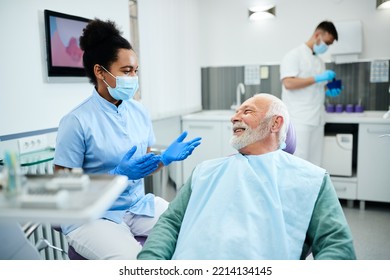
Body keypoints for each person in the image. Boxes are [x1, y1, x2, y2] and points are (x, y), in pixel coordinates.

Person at [137, 93, 356, 260]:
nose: (234, 118)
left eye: (247, 111)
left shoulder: (311, 179)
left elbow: (336, 245)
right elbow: (171, 223)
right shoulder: (205, 171)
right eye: (236, 112)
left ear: (275, 123)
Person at [53, 18, 201, 260]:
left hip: (137, 206)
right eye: (126, 71)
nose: (133, 77)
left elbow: (142, 165)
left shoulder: (139, 111)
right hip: (93, 215)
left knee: (194, 227)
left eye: (135, 71)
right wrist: (116, 176)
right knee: (135, 263)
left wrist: (163, 159)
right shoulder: (76, 121)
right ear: (100, 71)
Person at [280, 20, 341, 166]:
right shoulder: (294, 55)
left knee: (315, 164)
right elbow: (288, 83)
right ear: (317, 35)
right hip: (299, 119)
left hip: (317, 118)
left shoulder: (320, 62)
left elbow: (315, 87)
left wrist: (329, 89)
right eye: (327, 42)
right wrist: (317, 78)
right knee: (298, 162)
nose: (327, 47)